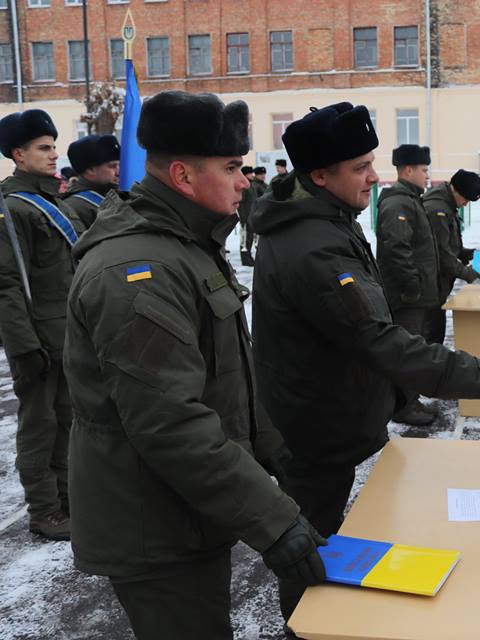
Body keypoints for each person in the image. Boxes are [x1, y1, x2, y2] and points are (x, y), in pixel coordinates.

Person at [63, 91, 325, 639]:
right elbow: (171, 421)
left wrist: (274, 459)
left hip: (183, 509)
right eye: (230, 168)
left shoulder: (185, 242)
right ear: (183, 176)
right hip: (152, 526)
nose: (244, 181)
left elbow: (225, 378)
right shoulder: (139, 268)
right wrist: (273, 522)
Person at [248, 102, 480, 626]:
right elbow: (377, 338)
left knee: (321, 532)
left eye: (372, 162)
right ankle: (306, 628)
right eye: (360, 167)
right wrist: (477, 376)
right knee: (310, 543)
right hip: (314, 428)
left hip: (324, 414)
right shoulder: (314, 247)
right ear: (319, 175)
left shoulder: (326, 223)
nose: (374, 175)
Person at [0, 109, 84, 541]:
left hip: (64, 335)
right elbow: (6, 284)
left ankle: (68, 502)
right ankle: (44, 511)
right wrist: (23, 345)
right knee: (39, 427)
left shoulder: (51, 202)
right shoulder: (13, 208)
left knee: (67, 420)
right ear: (19, 154)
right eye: (43, 148)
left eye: (54, 146)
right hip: (37, 341)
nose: (54, 155)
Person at [375, 143, 444, 425]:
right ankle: (404, 406)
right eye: (424, 170)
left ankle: (408, 399)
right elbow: (397, 249)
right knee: (407, 350)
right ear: (408, 170)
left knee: (412, 347)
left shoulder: (411, 199)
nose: (427, 175)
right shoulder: (398, 203)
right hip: (405, 296)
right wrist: (412, 287)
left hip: (414, 294)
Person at [422, 169, 480, 345]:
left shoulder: (446, 204)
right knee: (431, 337)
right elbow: (441, 255)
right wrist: (468, 274)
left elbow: (446, 244)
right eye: (465, 199)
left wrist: (465, 253)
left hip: (436, 285)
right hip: (430, 285)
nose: (465, 204)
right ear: (456, 190)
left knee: (435, 334)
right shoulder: (437, 210)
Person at [63, 134, 121, 228]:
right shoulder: (75, 206)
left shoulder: (115, 194)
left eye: (120, 165)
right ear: (90, 170)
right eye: (112, 166)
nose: (119, 172)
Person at [238, 165, 257, 266]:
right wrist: (243, 217)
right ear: (245, 175)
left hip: (251, 216)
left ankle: (248, 256)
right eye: (250, 173)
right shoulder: (243, 186)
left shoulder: (251, 185)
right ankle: (245, 259)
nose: (252, 175)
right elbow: (240, 203)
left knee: (249, 239)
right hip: (246, 217)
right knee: (245, 239)